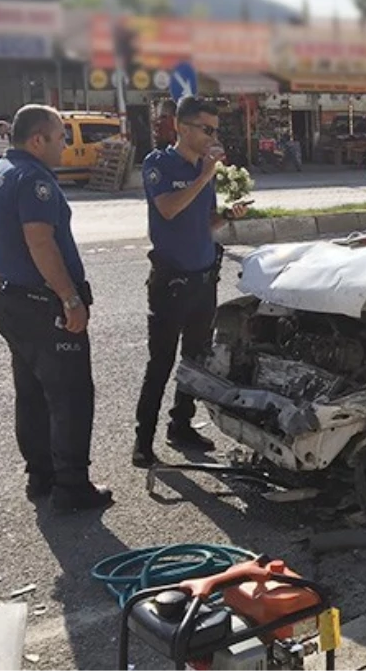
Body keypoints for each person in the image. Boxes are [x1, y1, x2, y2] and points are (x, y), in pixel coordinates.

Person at [0, 105, 112, 513]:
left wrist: (0, 294)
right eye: (60, 138)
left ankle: (41, 476)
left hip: (14, 302)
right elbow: (40, 241)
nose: (65, 146)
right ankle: (71, 488)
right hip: (45, 303)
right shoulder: (34, 179)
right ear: (38, 139)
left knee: (31, 392)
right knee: (69, 395)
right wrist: (69, 298)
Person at [132, 96, 248, 468]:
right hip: (171, 281)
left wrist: (227, 215)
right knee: (161, 362)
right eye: (207, 129)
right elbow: (168, 209)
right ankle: (143, 440)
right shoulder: (160, 164)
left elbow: (203, 220)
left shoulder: (203, 168)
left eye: (216, 129)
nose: (212, 136)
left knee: (196, 359)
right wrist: (203, 177)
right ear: (182, 128)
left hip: (203, 277)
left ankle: (180, 424)